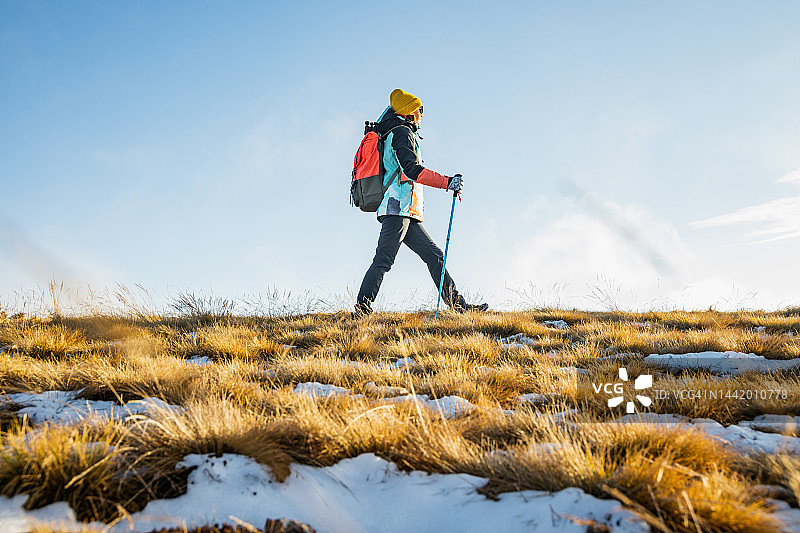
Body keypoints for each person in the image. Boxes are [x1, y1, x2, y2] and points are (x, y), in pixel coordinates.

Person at [354, 89, 488, 316]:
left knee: (434, 256)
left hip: (405, 210)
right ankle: (361, 310)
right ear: (408, 111)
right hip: (397, 209)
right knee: (384, 260)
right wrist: (447, 182)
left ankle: (459, 307)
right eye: (420, 109)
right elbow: (412, 171)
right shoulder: (401, 133)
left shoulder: (398, 132)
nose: (422, 114)